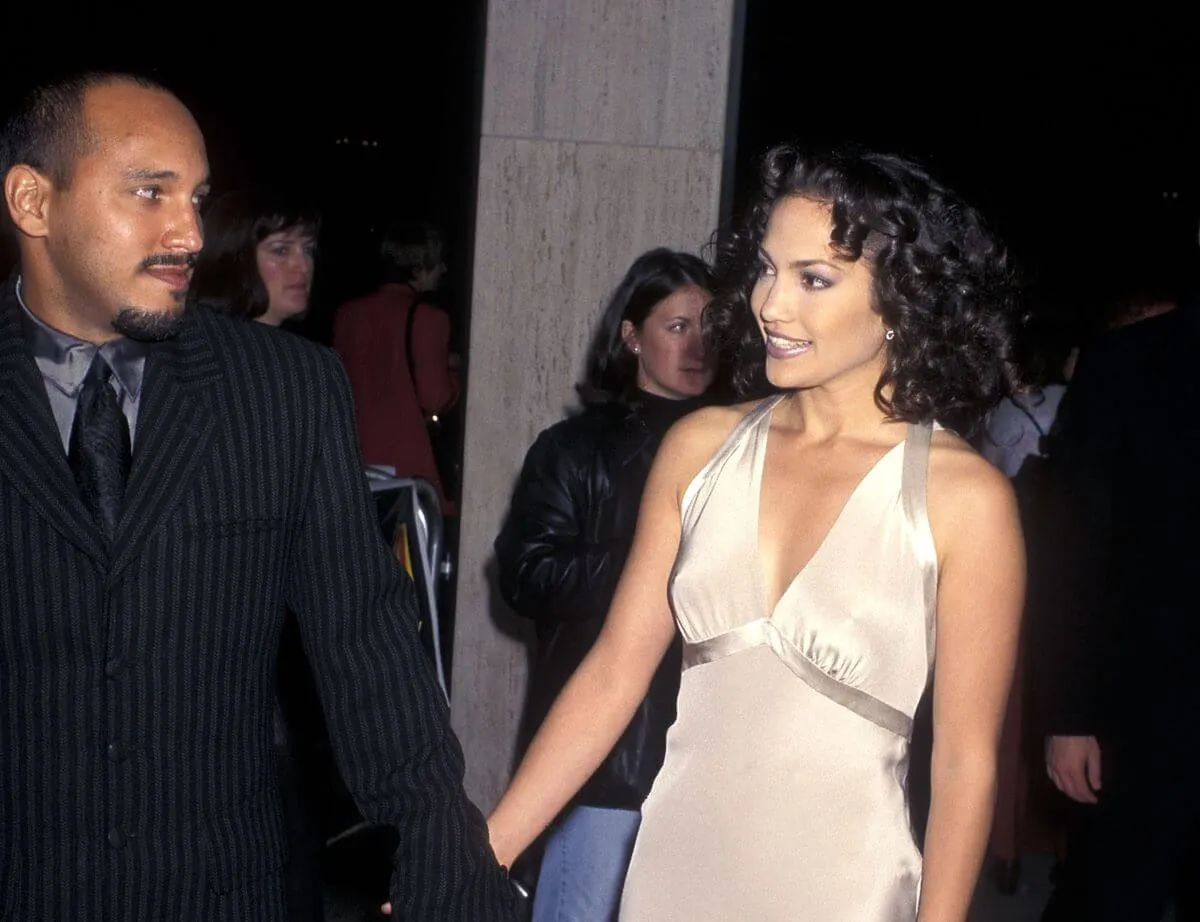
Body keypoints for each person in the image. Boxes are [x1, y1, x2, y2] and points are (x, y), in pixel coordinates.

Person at [0, 71, 519, 921]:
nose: (191, 233)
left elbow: (367, 646)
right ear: (33, 201)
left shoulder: (283, 389)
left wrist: (444, 858)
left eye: (198, 198)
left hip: (218, 893)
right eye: (150, 194)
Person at [486, 144, 1027, 921]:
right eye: (767, 270)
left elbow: (968, 766)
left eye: (814, 278)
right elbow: (612, 677)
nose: (770, 304)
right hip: (673, 875)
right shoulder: (699, 449)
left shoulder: (962, 496)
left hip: (845, 888)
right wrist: (483, 851)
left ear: (901, 297)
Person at [494, 248, 718, 921]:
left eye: (711, 325)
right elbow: (527, 577)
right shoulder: (572, 448)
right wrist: (653, 558)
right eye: (678, 326)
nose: (700, 343)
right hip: (605, 761)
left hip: (711, 754)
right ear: (631, 335)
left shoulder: (745, 443)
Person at [1038, 283, 1200, 921]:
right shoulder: (1129, 364)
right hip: (1145, 717)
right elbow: (1072, 558)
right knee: (1110, 896)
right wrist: (1069, 715)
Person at [333, 223, 459, 511]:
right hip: (409, 469)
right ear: (420, 266)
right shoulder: (429, 318)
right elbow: (436, 398)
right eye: (437, 261)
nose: (443, 270)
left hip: (353, 466)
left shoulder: (347, 314)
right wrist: (456, 374)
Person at [189, 185, 319, 327]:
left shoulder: (292, 347)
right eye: (281, 250)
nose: (304, 266)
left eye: (308, 249)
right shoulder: (205, 342)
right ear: (234, 259)